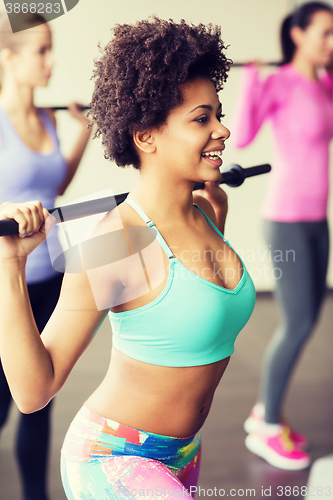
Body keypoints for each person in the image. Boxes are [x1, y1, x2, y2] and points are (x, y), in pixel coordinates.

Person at [0, 17, 256, 499]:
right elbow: (34, 391)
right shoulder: (116, 241)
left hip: (184, 454)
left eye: (218, 114)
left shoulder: (209, 209)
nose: (223, 129)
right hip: (113, 457)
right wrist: (9, 266)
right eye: (202, 119)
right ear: (146, 137)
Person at [230, 1, 333, 471]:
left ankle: (264, 412)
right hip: (286, 218)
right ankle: (267, 425)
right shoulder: (281, 82)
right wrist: (252, 83)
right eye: (325, 33)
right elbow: (245, 136)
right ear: (298, 34)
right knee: (296, 323)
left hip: (316, 217)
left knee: (309, 319)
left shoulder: (326, 83)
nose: (331, 42)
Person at [0, 12, 91, 500]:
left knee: (40, 399)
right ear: (7, 58)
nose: (52, 61)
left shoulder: (50, 119)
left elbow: (50, 188)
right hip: (4, 285)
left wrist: (84, 133)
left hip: (50, 276)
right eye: (41, 51)